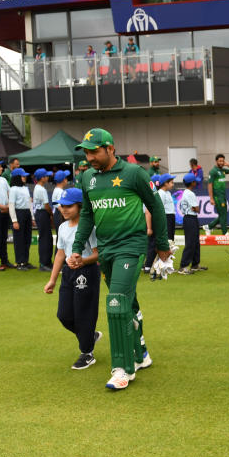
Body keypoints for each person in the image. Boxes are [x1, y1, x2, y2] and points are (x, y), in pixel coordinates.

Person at [71, 128, 170, 390]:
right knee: (128, 302)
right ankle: (141, 354)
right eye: (87, 152)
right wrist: (77, 246)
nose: (90, 157)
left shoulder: (134, 173)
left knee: (116, 302)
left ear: (110, 149)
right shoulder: (88, 178)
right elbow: (87, 216)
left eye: (94, 151)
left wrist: (161, 245)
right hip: (105, 250)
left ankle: (123, 369)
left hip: (131, 246)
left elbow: (156, 206)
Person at [43, 187, 102, 370]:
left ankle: (87, 353)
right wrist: (53, 279)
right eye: (62, 206)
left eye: (69, 206)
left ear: (80, 206)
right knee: (64, 315)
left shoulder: (89, 226)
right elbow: (60, 253)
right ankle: (89, 336)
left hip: (87, 272)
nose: (64, 209)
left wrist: (82, 261)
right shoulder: (61, 227)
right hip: (68, 273)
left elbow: (98, 254)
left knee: (84, 314)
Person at [8, 168, 34, 270]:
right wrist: (14, 220)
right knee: (19, 239)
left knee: (27, 238)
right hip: (19, 213)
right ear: (17, 177)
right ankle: (19, 262)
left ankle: (25, 261)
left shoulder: (25, 188)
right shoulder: (13, 189)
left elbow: (29, 203)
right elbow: (11, 205)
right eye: (22, 176)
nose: (25, 177)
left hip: (26, 212)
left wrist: (32, 216)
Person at [205, 154, 229, 233]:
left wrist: (228, 164)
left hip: (223, 195)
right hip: (217, 196)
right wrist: (211, 198)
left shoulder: (223, 170)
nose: (221, 162)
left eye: (222, 161)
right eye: (220, 161)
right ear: (216, 161)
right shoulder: (213, 171)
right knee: (223, 214)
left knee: (223, 214)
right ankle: (225, 232)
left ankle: (209, 226)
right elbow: (210, 185)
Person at [178, 172, 202, 275]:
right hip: (190, 218)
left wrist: (195, 208)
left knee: (195, 242)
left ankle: (195, 264)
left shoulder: (186, 192)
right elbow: (197, 209)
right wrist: (195, 208)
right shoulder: (190, 193)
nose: (196, 182)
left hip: (189, 218)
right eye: (194, 181)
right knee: (191, 243)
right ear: (192, 182)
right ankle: (183, 266)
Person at [32, 168, 54, 272]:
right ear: (42, 178)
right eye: (46, 176)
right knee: (45, 238)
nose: (48, 177)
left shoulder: (38, 187)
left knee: (46, 238)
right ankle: (44, 263)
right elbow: (46, 205)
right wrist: (51, 214)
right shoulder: (41, 189)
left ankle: (46, 262)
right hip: (43, 213)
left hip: (39, 213)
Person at [156, 173, 177, 247]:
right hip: (166, 217)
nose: (173, 184)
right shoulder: (161, 193)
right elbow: (159, 209)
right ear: (165, 183)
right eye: (171, 182)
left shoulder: (168, 193)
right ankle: (164, 257)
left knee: (171, 237)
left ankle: (168, 256)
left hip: (171, 217)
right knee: (167, 238)